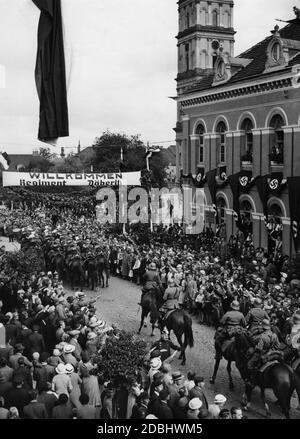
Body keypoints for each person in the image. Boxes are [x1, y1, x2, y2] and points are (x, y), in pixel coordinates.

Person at [247, 319, 281, 386]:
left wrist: (256, 347)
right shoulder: (274, 335)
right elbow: (278, 345)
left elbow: (259, 348)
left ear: (263, 327)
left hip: (263, 354)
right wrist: (272, 349)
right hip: (272, 353)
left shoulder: (262, 336)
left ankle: (251, 379)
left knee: (250, 364)